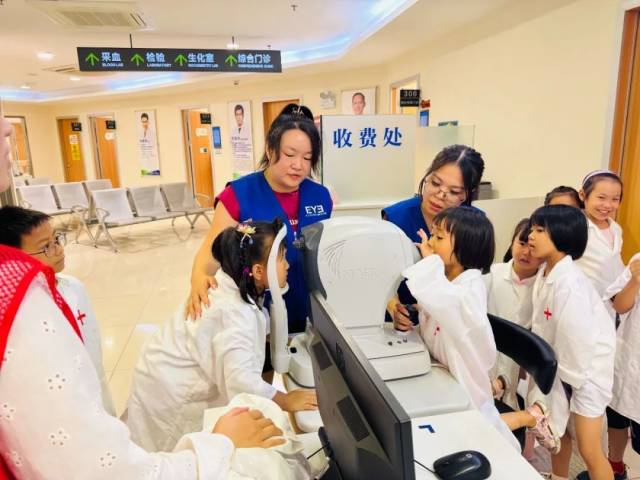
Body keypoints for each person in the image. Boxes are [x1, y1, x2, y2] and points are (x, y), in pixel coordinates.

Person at [0, 112, 285, 478]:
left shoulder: (61, 290)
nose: (8, 127)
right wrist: (220, 445)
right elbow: (92, 465)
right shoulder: (19, 294)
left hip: (112, 416)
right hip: (156, 417)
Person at [127, 220, 317, 452]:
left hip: (161, 375)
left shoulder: (233, 284)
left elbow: (255, 330)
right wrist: (286, 401)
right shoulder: (233, 314)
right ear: (258, 271)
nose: (287, 265)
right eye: (282, 258)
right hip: (171, 395)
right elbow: (242, 381)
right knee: (172, 453)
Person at [396, 207, 554, 452]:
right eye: (432, 235)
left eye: (439, 237)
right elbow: (433, 304)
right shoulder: (445, 281)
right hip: (442, 378)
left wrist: (428, 265)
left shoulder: (469, 287)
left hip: (464, 386)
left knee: (484, 436)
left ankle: (529, 417)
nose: (430, 243)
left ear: (465, 247)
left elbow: (444, 302)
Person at [187, 113, 332, 334]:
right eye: (289, 154)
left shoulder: (320, 196)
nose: (298, 165)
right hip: (254, 313)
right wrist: (198, 278)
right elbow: (210, 253)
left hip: (311, 309)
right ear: (270, 150)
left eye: (307, 157)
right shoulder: (238, 195)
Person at [527, 205, 616, 480]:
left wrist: (564, 383)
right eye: (532, 229)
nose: (531, 236)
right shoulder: (547, 272)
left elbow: (578, 341)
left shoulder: (571, 283)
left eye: (540, 230)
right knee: (559, 435)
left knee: (589, 450)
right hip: (562, 368)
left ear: (563, 235)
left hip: (586, 373)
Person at [0, 206, 114, 415]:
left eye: (56, 240)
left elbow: (91, 338)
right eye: (46, 247)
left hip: (91, 380)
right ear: (14, 260)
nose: (59, 250)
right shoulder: (23, 309)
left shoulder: (73, 286)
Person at [383, 144, 484, 325]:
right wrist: (393, 307)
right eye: (435, 183)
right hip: (403, 321)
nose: (439, 195)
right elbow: (382, 274)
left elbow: (471, 286)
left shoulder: (474, 226)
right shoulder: (396, 217)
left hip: (449, 322)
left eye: (453, 192)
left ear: (468, 194)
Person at [484, 218, 543, 411]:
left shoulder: (543, 286)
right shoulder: (492, 274)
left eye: (533, 248)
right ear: (512, 242)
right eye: (522, 243)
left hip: (517, 365)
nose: (526, 252)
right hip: (485, 353)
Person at [590, 255, 640, 480]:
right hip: (627, 358)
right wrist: (635, 280)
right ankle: (616, 467)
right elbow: (619, 306)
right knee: (617, 415)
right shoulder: (638, 260)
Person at [575, 170, 624, 298]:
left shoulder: (616, 228)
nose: (607, 205)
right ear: (582, 195)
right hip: (583, 298)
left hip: (614, 300)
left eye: (615, 199)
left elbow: (615, 263)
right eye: (601, 197)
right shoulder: (574, 227)